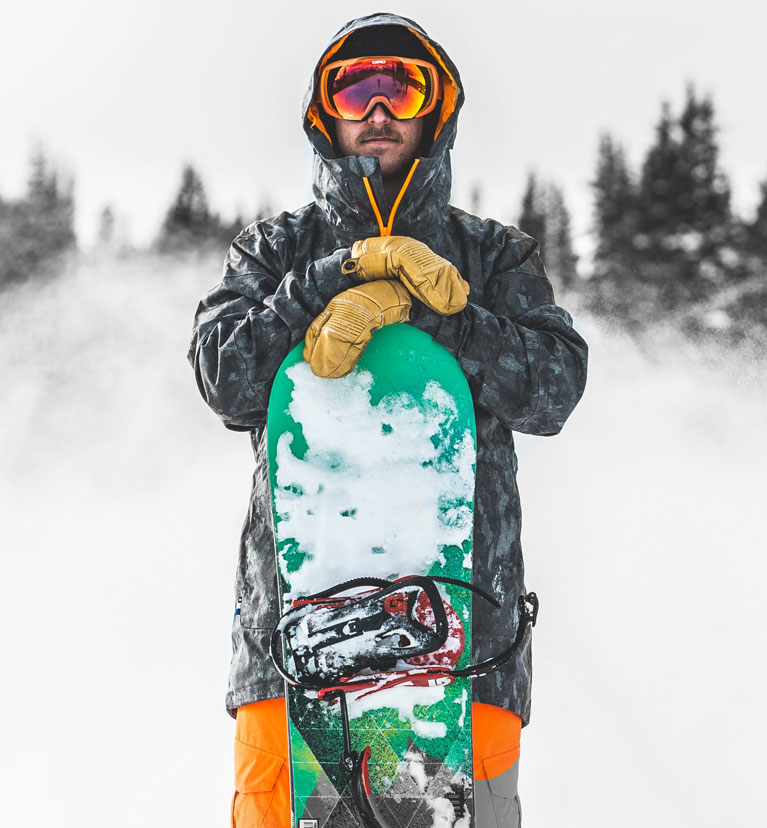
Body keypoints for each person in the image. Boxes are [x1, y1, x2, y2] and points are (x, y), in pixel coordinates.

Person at [188, 12, 588, 828]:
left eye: (399, 89)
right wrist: (337, 276)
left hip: (469, 652)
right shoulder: (273, 251)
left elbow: (553, 390)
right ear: (324, 114)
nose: (376, 109)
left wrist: (441, 310)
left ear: (433, 110)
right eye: (354, 89)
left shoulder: (493, 256)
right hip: (288, 647)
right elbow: (224, 379)